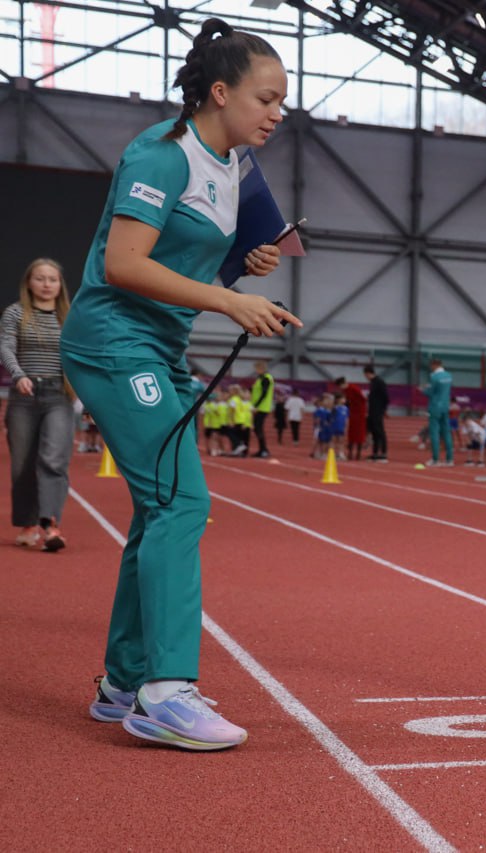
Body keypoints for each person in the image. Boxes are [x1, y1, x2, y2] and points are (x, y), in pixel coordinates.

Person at [60, 18, 299, 751]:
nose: (276, 112)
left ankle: (125, 682)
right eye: (265, 97)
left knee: (158, 508)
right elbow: (125, 264)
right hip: (113, 340)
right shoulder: (162, 155)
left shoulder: (234, 168)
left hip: (162, 345)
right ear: (219, 92)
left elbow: (184, 259)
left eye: (282, 100)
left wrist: (239, 267)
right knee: (181, 499)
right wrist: (231, 301)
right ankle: (166, 691)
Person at [2, 258, 75, 551]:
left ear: (60, 285)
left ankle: (50, 524)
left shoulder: (70, 317)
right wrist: (18, 375)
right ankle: (27, 523)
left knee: (54, 459)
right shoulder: (16, 313)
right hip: (24, 396)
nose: (46, 284)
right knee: (22, 464)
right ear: (28, 282)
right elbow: (5, 346)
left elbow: (81, 357)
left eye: (52, 279)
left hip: (59, 396)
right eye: (40, 278)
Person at [423, 358, 453, 465]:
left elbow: (430, 392)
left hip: (435, 406)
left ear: (434, 365)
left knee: (434, 433)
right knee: (446, 432)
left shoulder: (434, 377)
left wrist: (423, 389)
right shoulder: (449, 376)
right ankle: (449, 459)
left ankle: (435, 459)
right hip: (445, 405)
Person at [364, 364, 388, 462]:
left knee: (380, 432)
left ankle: (383, 453)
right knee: (374, 432)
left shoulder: (379, 382)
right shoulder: (373, 383)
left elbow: (386, 397)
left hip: (377, 411)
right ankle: (375, 453)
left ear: (368, 373)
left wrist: (383, 410)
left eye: (365, 375)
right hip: (372, 411)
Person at [250, 359, 274, 457]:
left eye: (257, 369)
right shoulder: (260, 379)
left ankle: (264, 450)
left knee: (258, 428)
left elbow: (264, 393)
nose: (256, 371)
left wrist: (256, 406)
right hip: (259, 407)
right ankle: (262, 449)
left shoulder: (266, 379)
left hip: (262, 407)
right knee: (257, 428)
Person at [342, 376, 367, 461]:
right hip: (352, 413)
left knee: (360, 434)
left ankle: (358, 454)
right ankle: (350, 453)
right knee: (351, 434)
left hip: (359, 414)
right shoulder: (345, 391)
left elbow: (363, 399)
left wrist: (363, 411)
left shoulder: (354, 388)